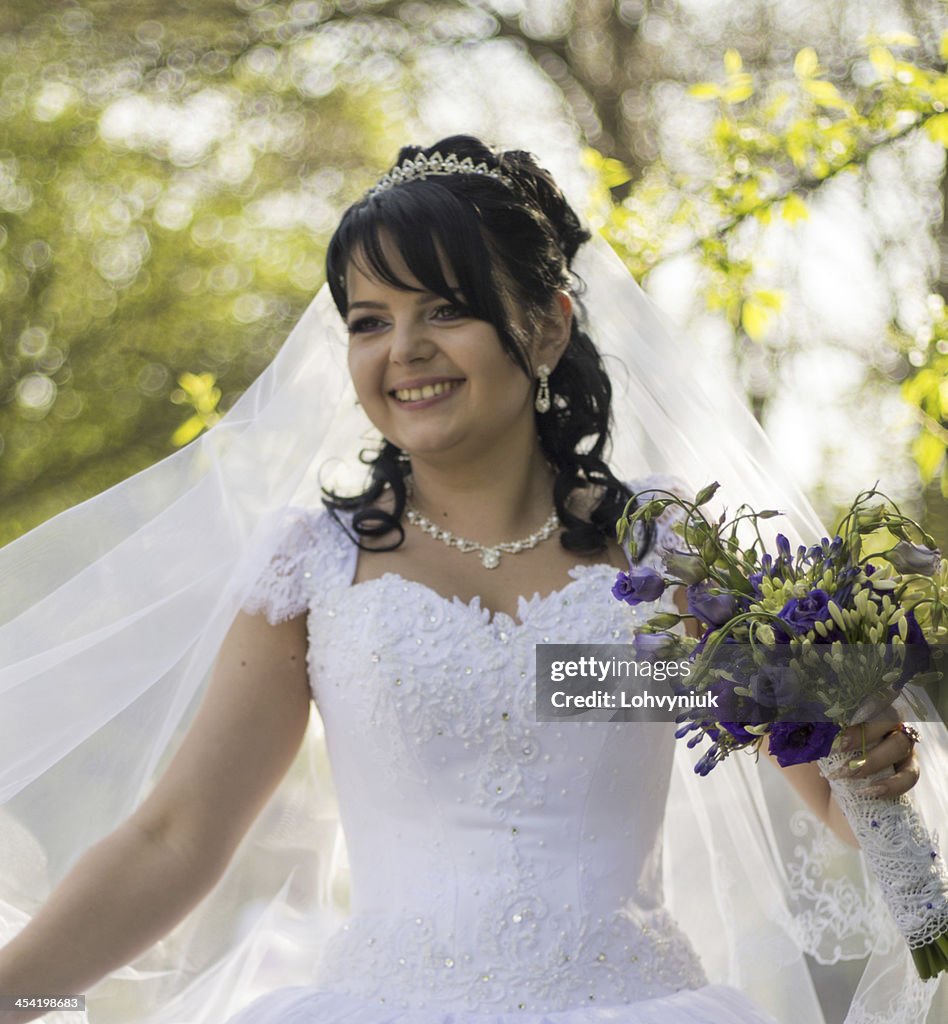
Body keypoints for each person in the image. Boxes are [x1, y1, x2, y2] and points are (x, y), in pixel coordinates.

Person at [0, 135, 944, 1024]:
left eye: (445, 309)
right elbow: (176, 839)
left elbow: (831, 790)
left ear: (544, 330)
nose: (402, 349)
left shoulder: (660, 553)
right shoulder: (312, 567)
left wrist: (865, 757)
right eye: (370, 322)